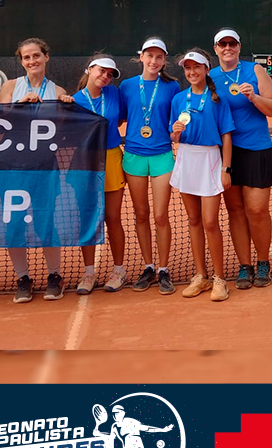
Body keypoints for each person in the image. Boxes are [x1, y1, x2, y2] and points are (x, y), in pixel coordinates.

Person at [0, 37, 74, 304]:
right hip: (11, 168)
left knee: (45, 221)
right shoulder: (10, 86)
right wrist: (19, 104)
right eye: (27, 57)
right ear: (21, 62)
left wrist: (65, 108)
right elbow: (0, 119)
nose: (32, 61)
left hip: (44, 167)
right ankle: (23, 278)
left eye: (36, 55)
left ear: (46, 57)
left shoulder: (57, 90)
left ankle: (54, 276)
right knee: (14, 223)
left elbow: (62, 133)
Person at [209, 28, 272, 290]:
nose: (228, 48)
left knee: (257, 210)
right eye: (223, 44)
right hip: (226, 153)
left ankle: (263, 262)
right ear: (216, 49)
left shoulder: (255, 70)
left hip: (257, 149)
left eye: (232, 43)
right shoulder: (210, 77)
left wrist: (254, 97)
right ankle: (244, 265)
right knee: (236, 211)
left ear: (239, 46)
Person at [170, 48, 235, 302]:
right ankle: (201, 275)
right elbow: (174, 137)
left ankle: (220, 279)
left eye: (196, 67)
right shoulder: (178, 99)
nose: (192, 72)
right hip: (186, 159)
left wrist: (226, 169)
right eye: (188, 68)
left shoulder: (218, 99)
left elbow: (226, 136)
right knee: (193, 220)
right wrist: (175, 133)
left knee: (210, 222)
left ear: (207, 69)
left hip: (210, 160)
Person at [119, 38, 179, 295]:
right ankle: (148, 266)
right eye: (150, 56)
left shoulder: (172, 86)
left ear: (164, 61)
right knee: (141, 214)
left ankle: (163, 269)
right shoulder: (126, 86)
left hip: (162, 155)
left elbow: (176, 119)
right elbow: (119, 116)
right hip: (133, 156)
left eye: (159, 57)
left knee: (160, 216)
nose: (154, 61)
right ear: (141, 57)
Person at [72, 55, 127, 293]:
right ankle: (89, 273)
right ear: (89, 69)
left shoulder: (114, 93)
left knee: (113, 218)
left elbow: (121, 118)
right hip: (85, 162)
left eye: (109, 74)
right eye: (101, 71)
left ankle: (119, 271)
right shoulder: (74, 100)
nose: (105, 76)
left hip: (112, 157)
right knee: (88, 218)